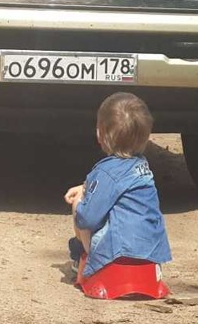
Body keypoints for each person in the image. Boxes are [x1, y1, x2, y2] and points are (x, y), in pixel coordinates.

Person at [64, 92, 171, 280]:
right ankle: (149, 272)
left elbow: (88, 218)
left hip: (116, 252)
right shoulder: (143, 168)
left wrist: (82, 197)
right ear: (146, 137)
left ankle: (82, 256)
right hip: (151, 252)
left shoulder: (105, 172)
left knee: (80, 205)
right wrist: (85, 186)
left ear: (99, 134)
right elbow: (119, 191)